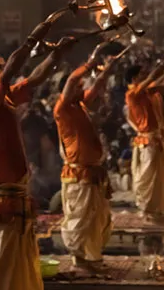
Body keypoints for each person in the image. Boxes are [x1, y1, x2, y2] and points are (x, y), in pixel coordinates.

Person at [0, 15, 69, 290]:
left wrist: (56, 56)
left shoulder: (6, 97)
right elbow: (15, 66)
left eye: (2, 67)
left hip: (17, 197)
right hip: (1, 202)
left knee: (20, 269)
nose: (3, 71)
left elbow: (34, 79)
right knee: (1, 271)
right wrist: (39, 31)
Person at [53, 45, 121, 274]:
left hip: (92, 173)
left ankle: (92, 257)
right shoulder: (62, 108)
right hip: (78, 175)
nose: (82, 88)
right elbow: (72, 80)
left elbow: (98, 86)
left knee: (96, 218)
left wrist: (108, 70)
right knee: (80, 219)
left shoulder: (79, 105)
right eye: (78, 87)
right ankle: (80, 260)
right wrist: (90, 62)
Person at [125, 60, 164, 223]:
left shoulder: (148, 92)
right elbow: (154, 78)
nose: (146, 76)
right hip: (148, 141)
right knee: (148, 178)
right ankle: (147, 210)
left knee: (158, 179)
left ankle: (157, 213)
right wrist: (163, 66)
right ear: (134, 79)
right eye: (142, 74)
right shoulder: (132, 94)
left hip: (157, 140)